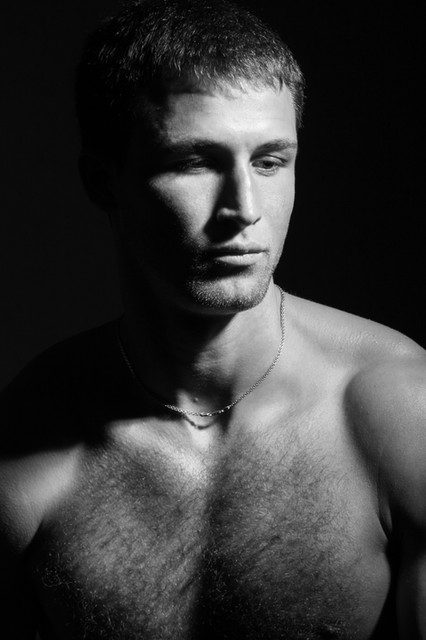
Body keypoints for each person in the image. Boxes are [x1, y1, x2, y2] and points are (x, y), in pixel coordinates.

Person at [1, 0, 425, 637]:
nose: (243, 209)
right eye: (195, 162)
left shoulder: (401, 414)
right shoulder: (23, 448)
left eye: (270, 161)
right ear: (103, 182)